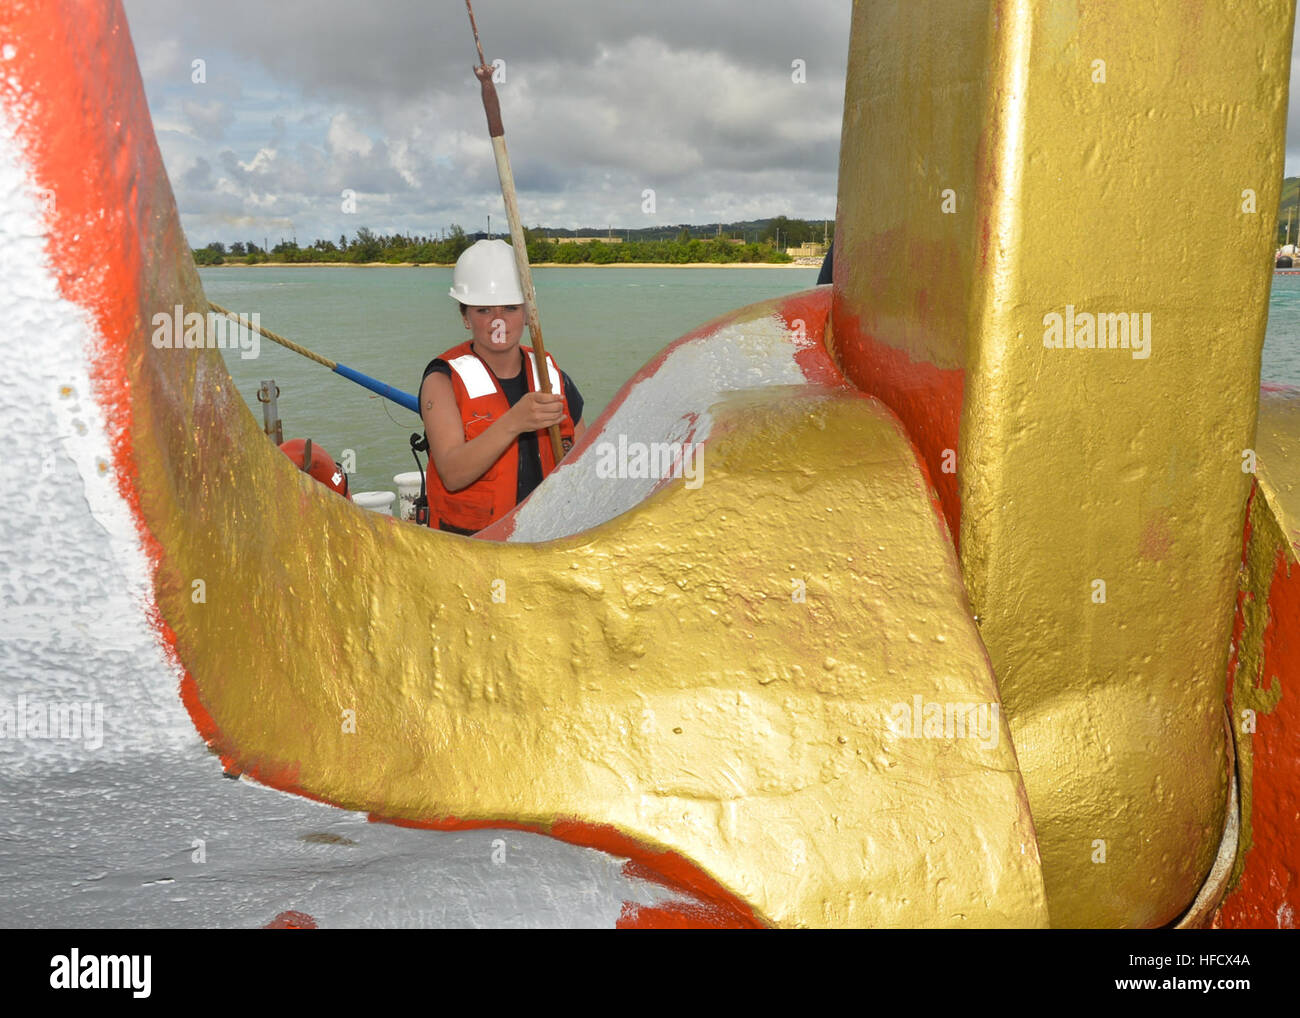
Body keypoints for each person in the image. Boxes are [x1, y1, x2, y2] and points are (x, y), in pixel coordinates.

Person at [419, 239, 586, 534]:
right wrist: (513, 422)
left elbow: (585, 458)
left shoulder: (551, 376)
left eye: (510, 308)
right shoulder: (442, 381)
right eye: (483, 310)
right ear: (465, 317)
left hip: (546, 535)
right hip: (476, 546)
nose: (498, 321)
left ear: (527, 313)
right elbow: (452, 474)